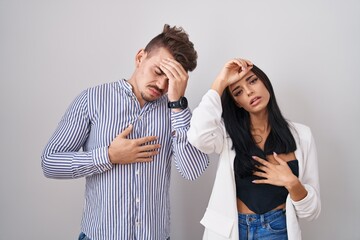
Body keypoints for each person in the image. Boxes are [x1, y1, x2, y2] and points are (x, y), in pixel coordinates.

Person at [41, 24, 209, 240]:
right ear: (140, 58)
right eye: (158, 72)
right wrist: (108, 156)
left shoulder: (176, 111)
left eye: (171, 80)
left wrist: (177, 103)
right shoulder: (92, 100)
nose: (161, 85)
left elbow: (192, 171)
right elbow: (50, 162)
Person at [187, 58, 321, 240]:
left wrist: (292, 183)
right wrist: (220, 82)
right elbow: (197, 135)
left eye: (252, 81)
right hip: (232, 230)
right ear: (237, 103)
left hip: (277, 230)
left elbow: (311, 211)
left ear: (265, 82)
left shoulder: (302, 135)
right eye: (238, 92)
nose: (249, 91)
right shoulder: (226, 134)